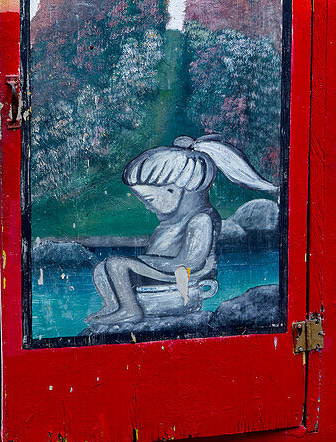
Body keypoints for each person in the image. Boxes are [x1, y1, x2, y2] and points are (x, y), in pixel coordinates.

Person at [90, 135, 276, 325]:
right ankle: (115, 308)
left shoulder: (201, 220)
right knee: (102, 269)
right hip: (168, 275)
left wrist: (142, 263)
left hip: (185, 281)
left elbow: (190, 263)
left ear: (174, 191)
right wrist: (143, 264)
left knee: (116, 265)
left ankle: (131, 310)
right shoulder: (171, 223)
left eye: (150, 201)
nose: (147, 207)